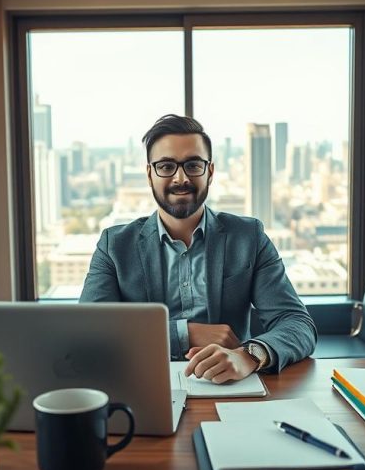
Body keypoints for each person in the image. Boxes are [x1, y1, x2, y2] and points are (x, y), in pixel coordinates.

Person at [79, 114, 316, 383]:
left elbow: (298, 324)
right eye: (166, 166)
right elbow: (90, 333)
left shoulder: (248, 237)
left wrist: (249, 355)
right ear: (150, 175)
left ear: (210, 172)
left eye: (193, 165)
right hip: (142, 381)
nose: (181, 178)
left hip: (228, 386)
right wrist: (186, 334)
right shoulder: (114, 245)